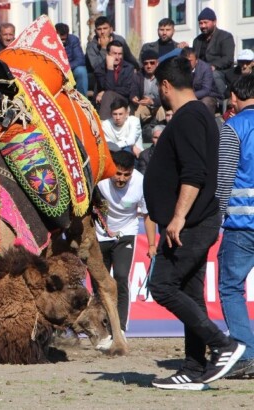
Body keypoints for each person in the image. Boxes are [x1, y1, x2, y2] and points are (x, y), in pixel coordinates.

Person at [144, 55, 244, 390]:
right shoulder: (199, 114)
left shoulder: (188, 118)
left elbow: (194, 174)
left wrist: (177, 217)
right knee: (190, 292)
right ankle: (193, 367)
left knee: (162, 286)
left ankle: (222, 344)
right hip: (197, 219)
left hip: (191, 222)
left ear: (165, 86)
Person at [215, 74, 254, 379]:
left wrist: (213, 220)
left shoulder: (232, 128)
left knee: (230, 288)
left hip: (242, 224)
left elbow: (224, 180)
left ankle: (246, 354)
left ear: (235, 97)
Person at [94, 150, 155, 346]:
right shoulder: (99, 179)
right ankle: (102, 330)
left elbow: (147, 215)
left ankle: (119, 328)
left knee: (120, 277)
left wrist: (152, 244)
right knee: (99, 283)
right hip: (100, 234)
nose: (121, 179)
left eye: (126, 175)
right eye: (118, 174)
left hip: (126, 233)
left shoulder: (141, 183)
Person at [193, 8, 235, 99]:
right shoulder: (197, 40)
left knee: (214, 74)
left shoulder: (225, 36)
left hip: (221, 73)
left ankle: (223, 99)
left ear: (214, 22)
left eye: (205, 22)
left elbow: (228, 58)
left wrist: (212, 66)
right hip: (201, 73)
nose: (203, 26)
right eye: (200, 23)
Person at [94, 41, 135, 119]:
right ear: (108, 54)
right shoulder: (100, 69)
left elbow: (127, 90)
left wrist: (104, 92)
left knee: (108, 94)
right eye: (114, 53)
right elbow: (108, 87)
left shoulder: (129, 68)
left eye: (120, 54)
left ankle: (103, 125)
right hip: (105, 101)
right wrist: (110, 68)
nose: (117, 57)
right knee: (108, 94)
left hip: (123, 100)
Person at [181, 47, 222, 114]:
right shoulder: (179, 68)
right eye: (185, 61)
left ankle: (207, 123)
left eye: (190, 61)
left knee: (206, 102)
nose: (187, 63)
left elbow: (206, 90)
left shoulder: (205, 68)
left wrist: (189, 96)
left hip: (208, 96)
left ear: (196, 60)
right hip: (187, 96)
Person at [131, 49, 164, 126]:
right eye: (146, 63)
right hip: (144, 105)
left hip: (160, 105)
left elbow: (166, 96)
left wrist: (153, 102)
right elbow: (133, 90)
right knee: (137, 113)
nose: (149, 66)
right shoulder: (138, 76)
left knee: (162, 112)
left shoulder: (163, 76)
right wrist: (134, 97)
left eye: (152, 63)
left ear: (157, 63)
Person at [55, 23, 88, 96]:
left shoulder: (73, 40)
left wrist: (66, 68)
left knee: (81, 71)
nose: (62, 42)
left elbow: (80, 59)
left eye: (64, 39)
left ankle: (83, 98)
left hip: (70, 69)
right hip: (55, 70)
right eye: (60, 39)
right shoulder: (47, 41)